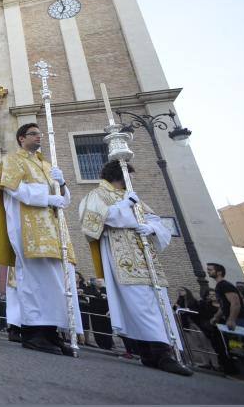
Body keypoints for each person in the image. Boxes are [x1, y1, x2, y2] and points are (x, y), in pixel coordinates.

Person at [79, 160, 191, 375]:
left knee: (156, 301)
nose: (131, 182)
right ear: (120, 176)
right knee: (141, 302)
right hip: (123, 258)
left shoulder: (132, 197)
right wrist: (123, 207)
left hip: (146, 257)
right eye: (128, 177)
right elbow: (91, 223)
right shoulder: (97, 194)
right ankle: (161, 352)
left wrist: (150, 227)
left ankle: (151, 352)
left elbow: (155, 219)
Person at [0, 122, 82, 356]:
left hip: (52, 228)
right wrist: (47, 198)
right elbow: (14, 188)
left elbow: (64, 200)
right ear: (21, 138)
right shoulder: (12, 160)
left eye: (40, 134)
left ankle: (51, 332)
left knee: (55, 280)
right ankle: (34, 331)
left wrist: (62, 184)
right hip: (28, 226)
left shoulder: (47, 166)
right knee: (35, 278)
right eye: (33, 134)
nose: (38, 137)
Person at [206, 262, 244, 375]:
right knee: (236, 349)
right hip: (234, 320)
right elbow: (224, 305)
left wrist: (232, 319)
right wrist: (216, 317)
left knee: (242, 348)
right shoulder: (219, 286)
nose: (208, 271)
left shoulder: (224, 285)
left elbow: (235, 303)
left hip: (240, 320)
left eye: (210, 270)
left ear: (219, 272)